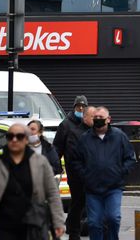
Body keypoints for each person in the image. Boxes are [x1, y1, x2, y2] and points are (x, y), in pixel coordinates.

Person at [0, 123, 65, 240]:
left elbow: (53, 194)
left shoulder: (40, 163)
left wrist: (58, 222)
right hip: (1, 228)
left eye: (19, 136)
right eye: (10, 136)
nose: (14, 140)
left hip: (32, 227)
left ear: (26, 140)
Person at [70, 106, 136, 240]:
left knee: (113, 218)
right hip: (92, 189)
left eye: (101, 118)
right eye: (96, 118)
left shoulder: (119, 136)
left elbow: (130, 158)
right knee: (94, 223)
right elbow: (75, 159)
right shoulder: (85, 138)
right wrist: (85, 175)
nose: (98, 120)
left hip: (113, 188)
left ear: (109, 120)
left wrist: (120, 172)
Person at [53, 96, 92, 240]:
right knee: (77, 201)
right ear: (74, 107)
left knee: (89, 201)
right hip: (74, 171)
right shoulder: (65, 125)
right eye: (78, 106)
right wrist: (56, 166)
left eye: (83, 106)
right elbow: (57, 148)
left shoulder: (89, 123)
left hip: (90, 171)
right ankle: (74, 233)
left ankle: (81, 228)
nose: (81, 109)